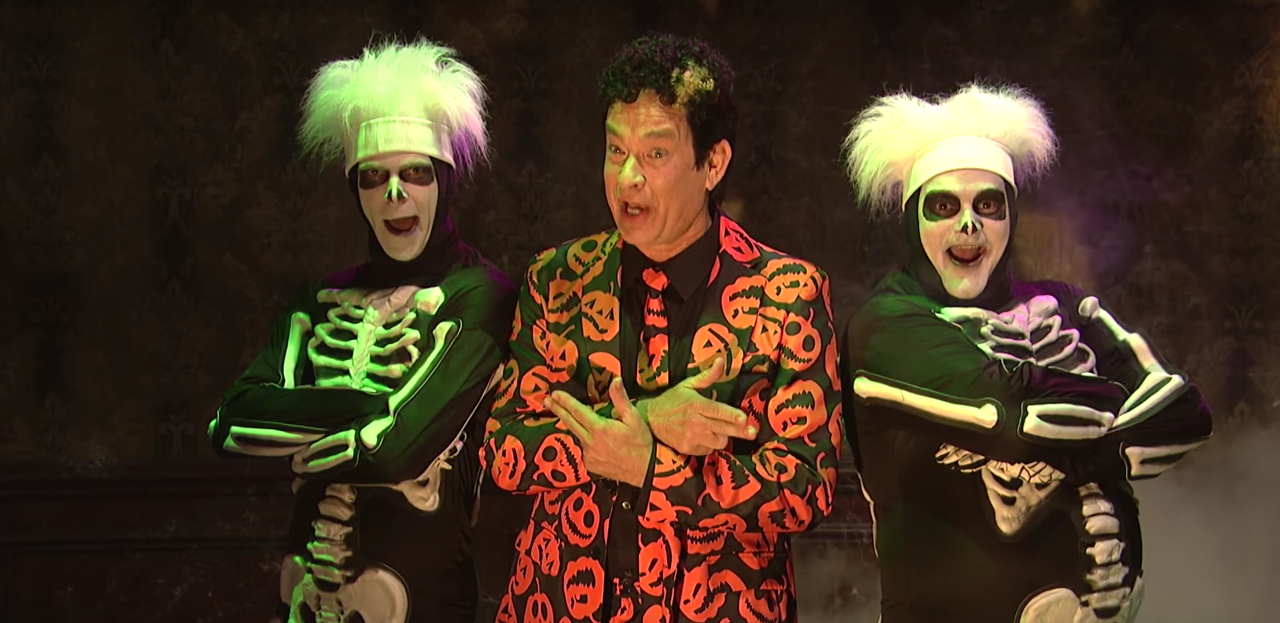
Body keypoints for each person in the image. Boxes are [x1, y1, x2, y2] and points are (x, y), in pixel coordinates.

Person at [479, 33, 843, 623]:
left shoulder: (785, 293)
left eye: (654, 154)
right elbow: (503, 451)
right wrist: (644, 420)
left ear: (712, 164)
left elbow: (807, 488)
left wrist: (655, 470)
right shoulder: (558, 278)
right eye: (615, 150)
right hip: (559, 603)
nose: (627, 178)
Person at [839, 83, 1214, 622]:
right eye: (943, 206)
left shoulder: (1062, 302)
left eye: (987, 205)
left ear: (1011, 216)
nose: (968, 224)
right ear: (911, 218)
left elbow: (1183, 410)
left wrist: (1076, 437)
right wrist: (1114, 437)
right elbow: (1007, 409)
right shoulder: (886, 325)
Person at [207, 37, 516, 623]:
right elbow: (231, 420)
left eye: (415, 173)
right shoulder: (322, 297)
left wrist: (306, 422)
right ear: (356, 191)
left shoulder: (481, 295)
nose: (394, 193)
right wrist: (372, 407)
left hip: (424, 599)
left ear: (444, 182)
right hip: (302, 594)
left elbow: (397, 450)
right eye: (373, 177)